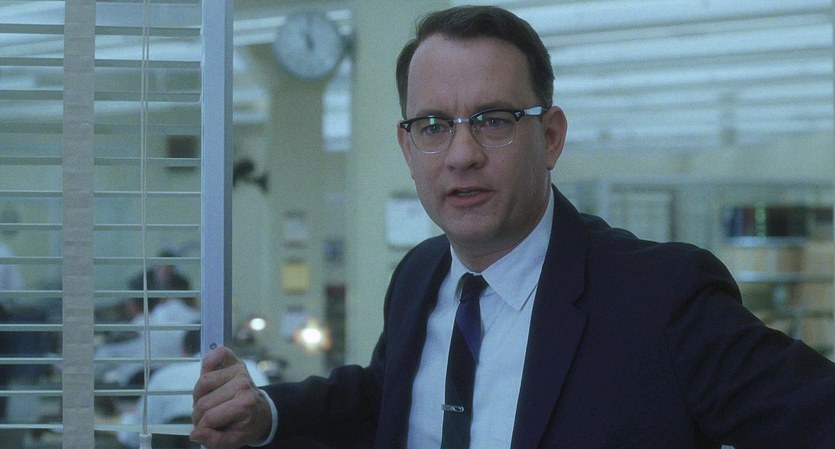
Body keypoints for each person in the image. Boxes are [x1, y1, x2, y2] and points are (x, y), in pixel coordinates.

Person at [191, 6, 835, 449]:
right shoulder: (420, 275)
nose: (461, 154)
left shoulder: (661, 297)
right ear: (408, 146)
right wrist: (265, 412)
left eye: (493, 121)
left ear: (549, 137)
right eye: (433, 126)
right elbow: (389, 396)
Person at [118, 329, 269, 448]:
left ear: (184, 351)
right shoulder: (251, 370)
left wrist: (123, 418)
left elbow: (133, 436)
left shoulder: (165, 376)